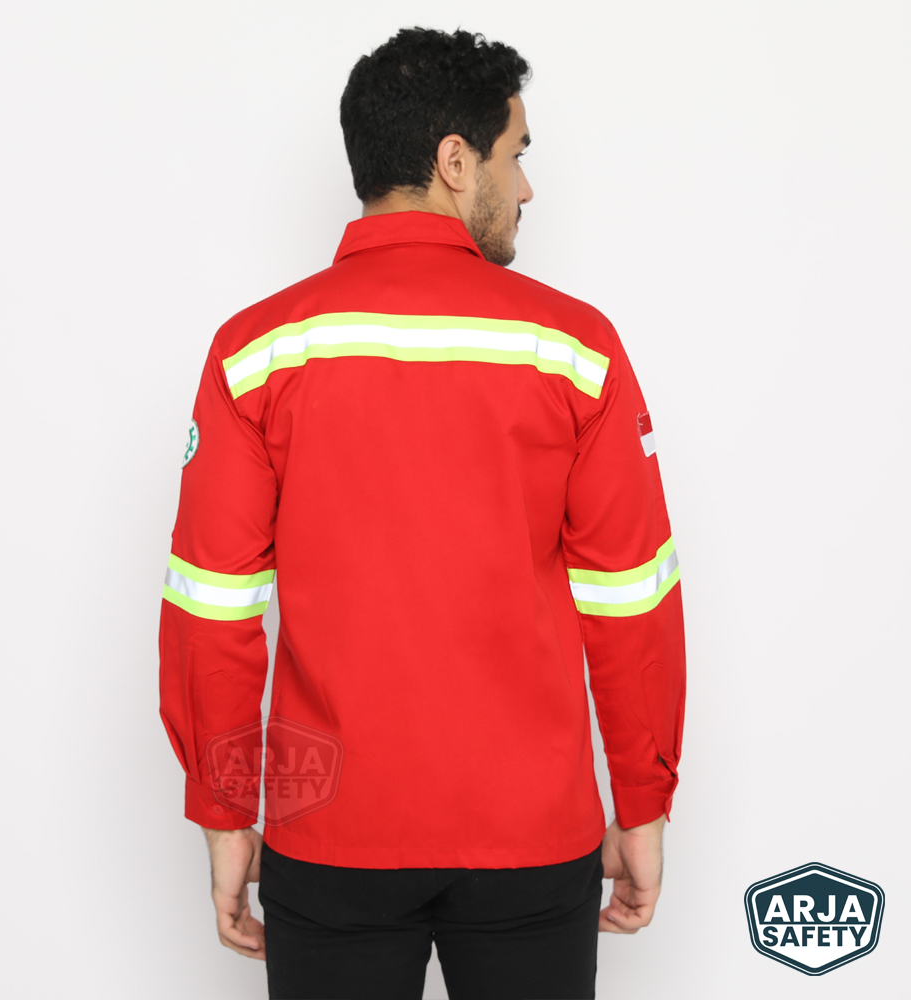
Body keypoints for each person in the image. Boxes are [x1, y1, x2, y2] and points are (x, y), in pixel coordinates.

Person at [159, 26, 685, 1000]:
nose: (526, 187)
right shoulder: (574, 348)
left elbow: (211, 609)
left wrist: (226, 816)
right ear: (454, 161)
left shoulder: (256, 351)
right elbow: (629, 599)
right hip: (532, 835)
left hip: (330, 835)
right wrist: (642, 803)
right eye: (514, 154)